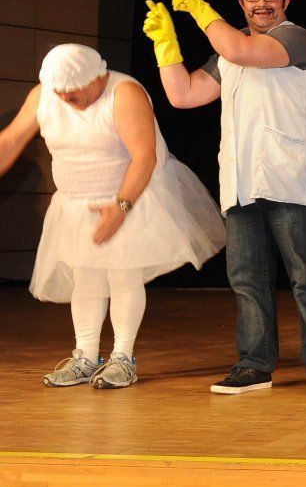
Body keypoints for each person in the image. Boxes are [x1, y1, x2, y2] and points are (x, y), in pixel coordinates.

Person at [142, 0, 306, 398]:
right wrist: (166, 46)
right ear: (241, 3)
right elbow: (184, 94)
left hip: (290, 177)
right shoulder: (229, 49)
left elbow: (239, 49)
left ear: (286, 2)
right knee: (247, 278)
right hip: (240, 179)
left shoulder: (297, 38)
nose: (262, 4)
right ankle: (254, 365)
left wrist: (200, 10)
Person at [0, 44, 223, 389]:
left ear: (97, 77)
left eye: (75, 91)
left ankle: (123, 358)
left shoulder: (124, 92)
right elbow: (11, 141)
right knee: (85, 277)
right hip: (77, 201)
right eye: (61, 93)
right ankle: (86, 356)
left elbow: (145, 157)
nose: (66, 99)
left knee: (123, 276)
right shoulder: (44, 94)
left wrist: (121, 207)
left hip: (130, 195)